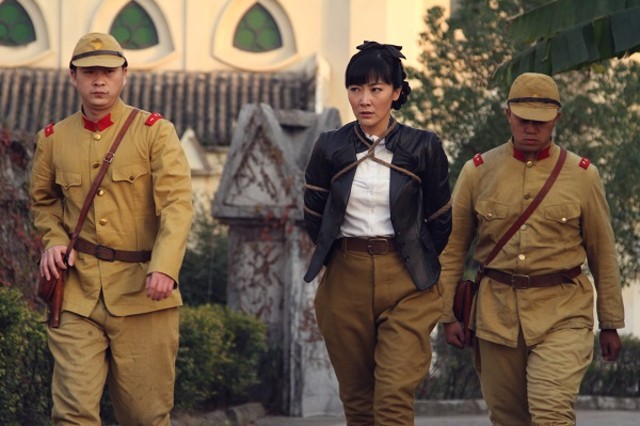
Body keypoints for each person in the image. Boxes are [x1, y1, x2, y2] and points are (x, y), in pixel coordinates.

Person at [441, 72, 625, 425]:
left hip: (563, 313)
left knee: (551, 413)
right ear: (507, 114)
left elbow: (603, 253)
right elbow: (452, 249)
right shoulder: (477, 172)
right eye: (523, 119)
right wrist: (447, 314)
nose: (531, 128)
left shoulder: (582, 175)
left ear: (557, 119)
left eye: (540, 121)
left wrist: (610, 322)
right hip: (495, 316)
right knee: (508, 418)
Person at [29, 32, 193, 425]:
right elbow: (44, 202)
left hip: (143, 292)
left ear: (124, 75)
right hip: (77, 293)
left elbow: (177, 205)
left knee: (144, 416)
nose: (99, 80)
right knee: (71, 413)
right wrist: (54, 241)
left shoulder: (154, 132)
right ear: (73, 77)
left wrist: (165, 266)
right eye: (89, 73)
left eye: (108, 71)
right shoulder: (52, 140)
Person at [303, 41, 452, 425]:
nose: (364, 100)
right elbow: (314, 216)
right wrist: (342, 258)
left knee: (392, 398)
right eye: (355, 89)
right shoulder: (329, 146)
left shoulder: (424, 147)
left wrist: (414, 259)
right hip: (344, 281)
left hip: (408, 281)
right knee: (358, 404)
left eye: (376, 89)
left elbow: (440, 220)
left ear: (396, 92)